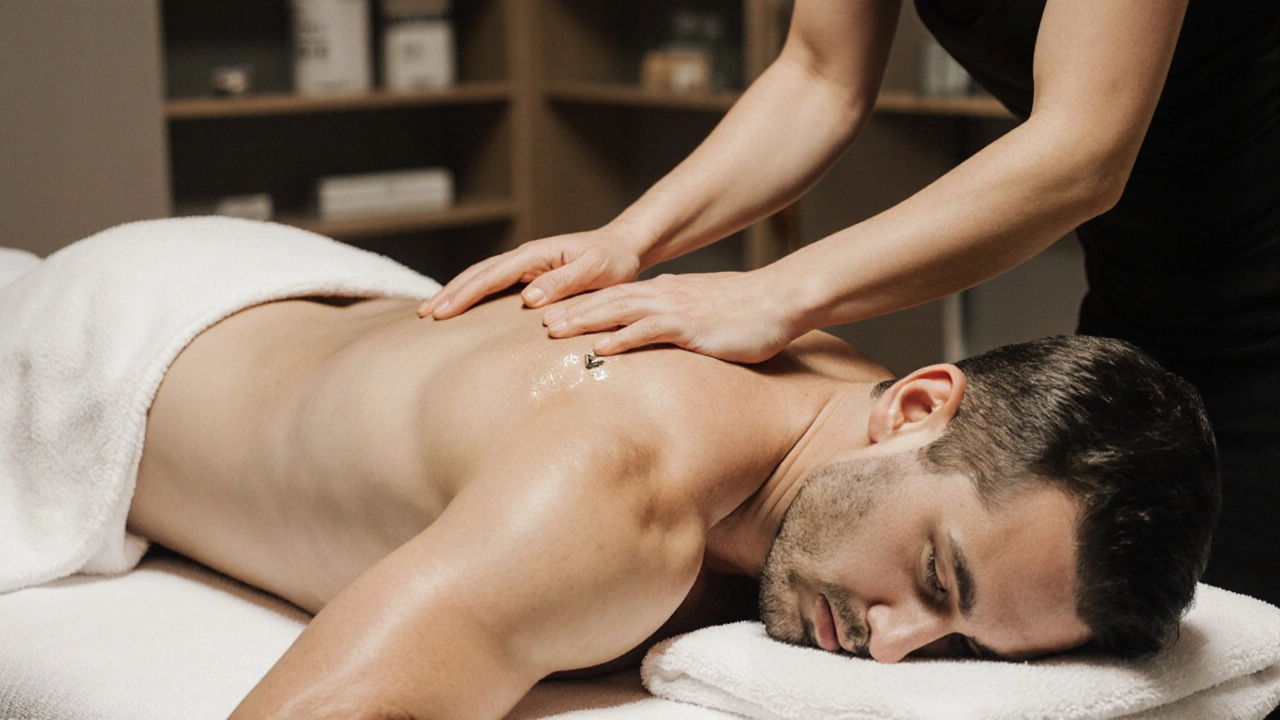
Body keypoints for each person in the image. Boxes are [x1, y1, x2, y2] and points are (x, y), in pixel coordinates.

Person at [420, 1, 1280, 605]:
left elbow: (1082, 152)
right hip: (1150, 285)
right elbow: (819, 75)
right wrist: (632, 238)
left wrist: (775, 294)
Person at [122, 290, 1219, 718]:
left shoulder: (861, 431)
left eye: (962, 647)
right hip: (138, 342)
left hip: (352, 319)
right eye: (936, 579)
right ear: (917, 404)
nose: (892, 650)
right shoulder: (614, 500)